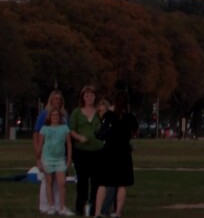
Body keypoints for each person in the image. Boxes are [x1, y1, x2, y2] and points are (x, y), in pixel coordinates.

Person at [94, 90, 138, 218]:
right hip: (123, 152)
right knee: (122, 184)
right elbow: (134, 131)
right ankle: (118, 212)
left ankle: (97, 212)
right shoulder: (130, 117)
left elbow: (100, 132)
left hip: (109, 151)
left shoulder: (109, 115)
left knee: (103, 182)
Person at [69, 85, 103, 216]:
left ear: (95, 97)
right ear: (83, 97)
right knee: (82, 181)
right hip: (81, 151)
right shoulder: (77, 112)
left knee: (96, 182)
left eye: (92, 95)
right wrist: (79, 137)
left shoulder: (99, 112)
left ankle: (95, 208)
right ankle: (80, 208)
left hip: (97, 151)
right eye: (87, 95)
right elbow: (71, 130)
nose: (89, 98)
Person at [34, 90, 68, 214]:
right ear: (51, 100)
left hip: (60, 153)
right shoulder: (44, 114)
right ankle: (45, 205)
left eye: (59, 99)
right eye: (55, 98)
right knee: (47, 180)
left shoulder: (64, 116)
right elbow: (37, 133)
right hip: (47, 153)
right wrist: (37, 154)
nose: (57, 101)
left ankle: (59, 206)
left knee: (60, 182)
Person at [40, 108, 74, 216]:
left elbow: (69, 144)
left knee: (62, 183)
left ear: (60, 117)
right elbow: (40, 145)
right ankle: (51, 206)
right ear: (50, 117)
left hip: (60, 159)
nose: (55, 117)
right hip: (47, 158)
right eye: (53, 115)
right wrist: (39, 160)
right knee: (49, 182)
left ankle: (62, 207)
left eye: (57, 115)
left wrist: (69, 159)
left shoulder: (65, 128)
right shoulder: (44, 129)